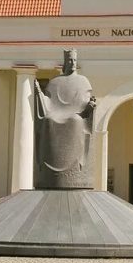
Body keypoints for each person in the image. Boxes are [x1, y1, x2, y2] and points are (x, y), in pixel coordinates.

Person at [34, 49, 96, 189]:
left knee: (75, 120)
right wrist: (41, 96)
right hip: (56, 112)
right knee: (48, 120)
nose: (72, 63)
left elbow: (84, 101)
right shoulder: (56, 82)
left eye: (74, 60)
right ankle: (48, 169)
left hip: (76, 114)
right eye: (69, 60)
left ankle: (74, 168)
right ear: (65, 62)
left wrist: (89, 106)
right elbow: (50, 102)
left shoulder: (83, 81)